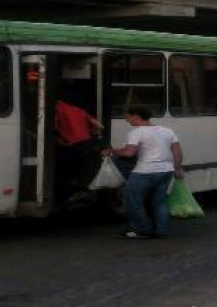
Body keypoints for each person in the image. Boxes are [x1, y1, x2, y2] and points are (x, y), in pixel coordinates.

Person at [105, 106, 183, 239]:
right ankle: (161, 230)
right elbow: (177, 151)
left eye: (128, 117)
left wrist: (111, 151)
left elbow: (129, 152)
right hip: (166, 171)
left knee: (132, 200)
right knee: (159, 201)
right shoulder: (166, 130)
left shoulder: (137, 132)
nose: (127, 120)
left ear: (135, 116)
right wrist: (177, 168)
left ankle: (141, 229)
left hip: (145, 171)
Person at [54, 97, 104, 203]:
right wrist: (87, 130)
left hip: (68, 146)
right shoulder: (79, 110)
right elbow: (100, 126)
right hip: (86, 144)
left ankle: (65, 197)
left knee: (64, 172)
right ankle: (80, 193)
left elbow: (53, 127)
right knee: (81, 170)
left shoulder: (56, 109)